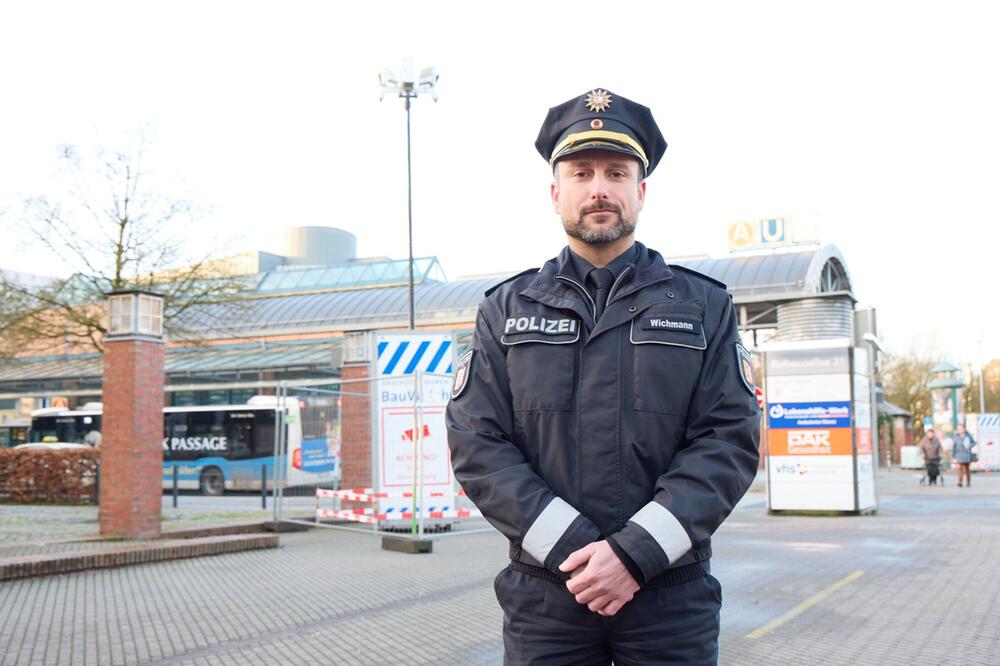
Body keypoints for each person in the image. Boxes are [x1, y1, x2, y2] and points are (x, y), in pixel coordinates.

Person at [446, 89, 761, 665]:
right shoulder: (505, 309)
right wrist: (580, 552)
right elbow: (477, 445)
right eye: (581, 172)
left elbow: (727, 443)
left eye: (617, 173)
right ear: (555, 192)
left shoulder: (703, 306)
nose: (599, 188)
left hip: (670, 599)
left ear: (640, 191)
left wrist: (635, 554)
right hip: (547, 598)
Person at [952, 423, 977, 487]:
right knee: (960, 468)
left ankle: (968, 482)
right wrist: (953, 456)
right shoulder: (956, 436)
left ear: (964, 429)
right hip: (959, 454)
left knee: (967, 469)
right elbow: (954, 447)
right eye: (958, 428)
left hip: (967, 454)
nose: (959, 430)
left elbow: (974, 443)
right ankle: (960, 481)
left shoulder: (968, 435)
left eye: (960, 428)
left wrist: (969, 446)